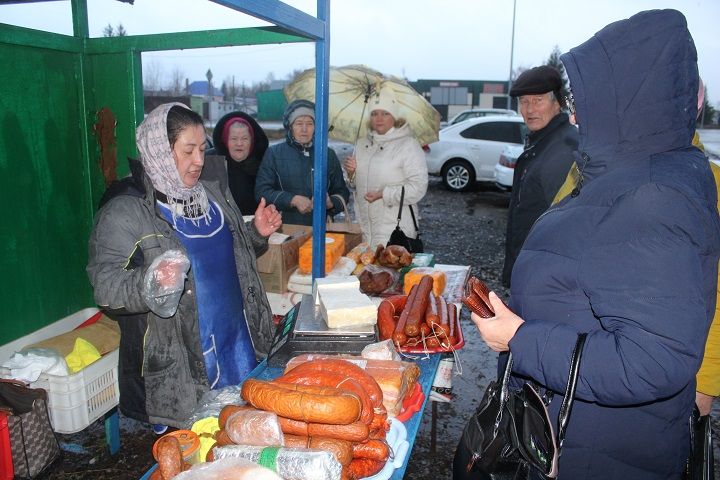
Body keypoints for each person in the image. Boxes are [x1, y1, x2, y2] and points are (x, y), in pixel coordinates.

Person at [456, 9, 720, 479]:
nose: (576, 112)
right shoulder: (624, 173)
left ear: (632, 99)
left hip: (594, 450)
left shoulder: (654, 196)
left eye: (588, 96)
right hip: (570, 428)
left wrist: (520, 338)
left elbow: (652, 360)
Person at [87, 103, 282, 430]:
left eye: (202, 149)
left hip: (238, 344)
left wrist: (255, 233)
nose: (199, 161)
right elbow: (104, 287)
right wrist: (148, 285)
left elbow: (227, 256)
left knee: (241, 436)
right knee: (199, 451)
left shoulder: (212, 195)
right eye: (188, 150)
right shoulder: (126, 210)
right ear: (160, 151)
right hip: (184, 366)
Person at [501, 65, 578, 288]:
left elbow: (567, 225)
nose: (529, 109)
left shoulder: (563, 149)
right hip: (533, 269)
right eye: (524, 101)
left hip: (546, 277)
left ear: (557, 103)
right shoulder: (543, 142)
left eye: (538, 100)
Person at [343, 87, 428, 247]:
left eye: (385, 113)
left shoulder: (408, 145)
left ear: (394, 116)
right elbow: (354, 185)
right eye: (374, 113)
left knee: (391, 271)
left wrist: (383, 194)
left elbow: (418, 187)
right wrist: (351, 173)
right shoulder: (361, 144)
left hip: (395, 232)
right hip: (366, 230)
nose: (379, 118)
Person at [255, 99, 350, 226]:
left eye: (310, 124)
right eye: (299, 123)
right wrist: (292, 200)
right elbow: (262, 192)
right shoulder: (274, 154)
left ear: (316, 127)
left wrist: (331, 202)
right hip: (284, 227)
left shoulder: (328, 155)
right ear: (290, 126)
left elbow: (342, 191)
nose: (304, 129)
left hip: (322, 229)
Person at [208, 111, 269, 215]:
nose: (239, 143)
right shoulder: (208, 162)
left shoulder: (265, 163)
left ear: (252, 141)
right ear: (225, 141)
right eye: (233, 138)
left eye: (245, 138)